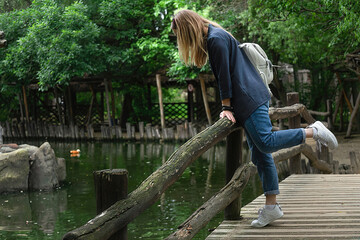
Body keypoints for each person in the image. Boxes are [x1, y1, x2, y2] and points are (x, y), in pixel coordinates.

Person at [171, 9, 338, 228]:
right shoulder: (216, 34)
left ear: (187, 28)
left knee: (265, 142)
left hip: (249, 98)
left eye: (180, 36)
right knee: (260, 155)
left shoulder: (215, 39)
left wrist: (225, 107)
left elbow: (224, 77)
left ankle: (313, 131)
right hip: (248, 98)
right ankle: (271, 208)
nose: (181, 41)